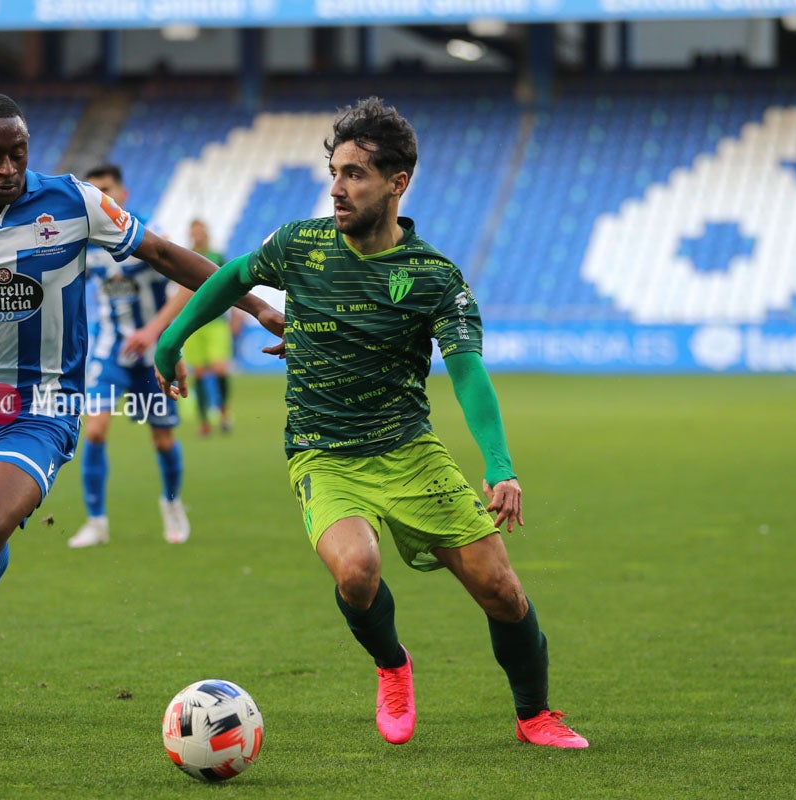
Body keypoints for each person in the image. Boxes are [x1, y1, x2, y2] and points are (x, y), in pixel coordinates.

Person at [154, 97, 588, 749]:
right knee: (356, 570)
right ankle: (392, 665)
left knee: (501, 590)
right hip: (323, 454)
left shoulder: (434, 278)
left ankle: (536, 716)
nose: (337, 186)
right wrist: (173, 339)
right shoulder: (300, 244)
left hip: (409, 452)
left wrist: (500, 464)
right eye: (335, 171)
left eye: (355, 173)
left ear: (397, 182)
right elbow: (235, 276)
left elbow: (467, 371)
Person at [0, 93, 282, 717]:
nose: (7, 168)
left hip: (43, 406)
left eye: (17, 155)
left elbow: (161, 253)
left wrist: (255, 302)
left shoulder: (73, 202)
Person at [65, 164, 192, 548]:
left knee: (163, 441)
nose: (101, 197)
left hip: (152, 355)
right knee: (96, 429)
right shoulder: (85, 244)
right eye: (94, 191)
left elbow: (188, 285)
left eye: (107, 189)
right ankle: (96, 521)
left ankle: (171, 502)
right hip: (108, 352)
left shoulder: (148, 234)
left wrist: (153, 331)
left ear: (123, 193)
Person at [182, 218, 243, 436]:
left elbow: (232, 284)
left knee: (219, 368)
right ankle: (204, 421)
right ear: (190, 234)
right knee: (198, 371)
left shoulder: (217, 257)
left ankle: (224, 412)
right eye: (194, 230)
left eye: (201, 230)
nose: (198, 234)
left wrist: (237, 313)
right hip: (194, 324)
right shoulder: (183, 257)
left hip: (216, 322)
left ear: (206, 233)